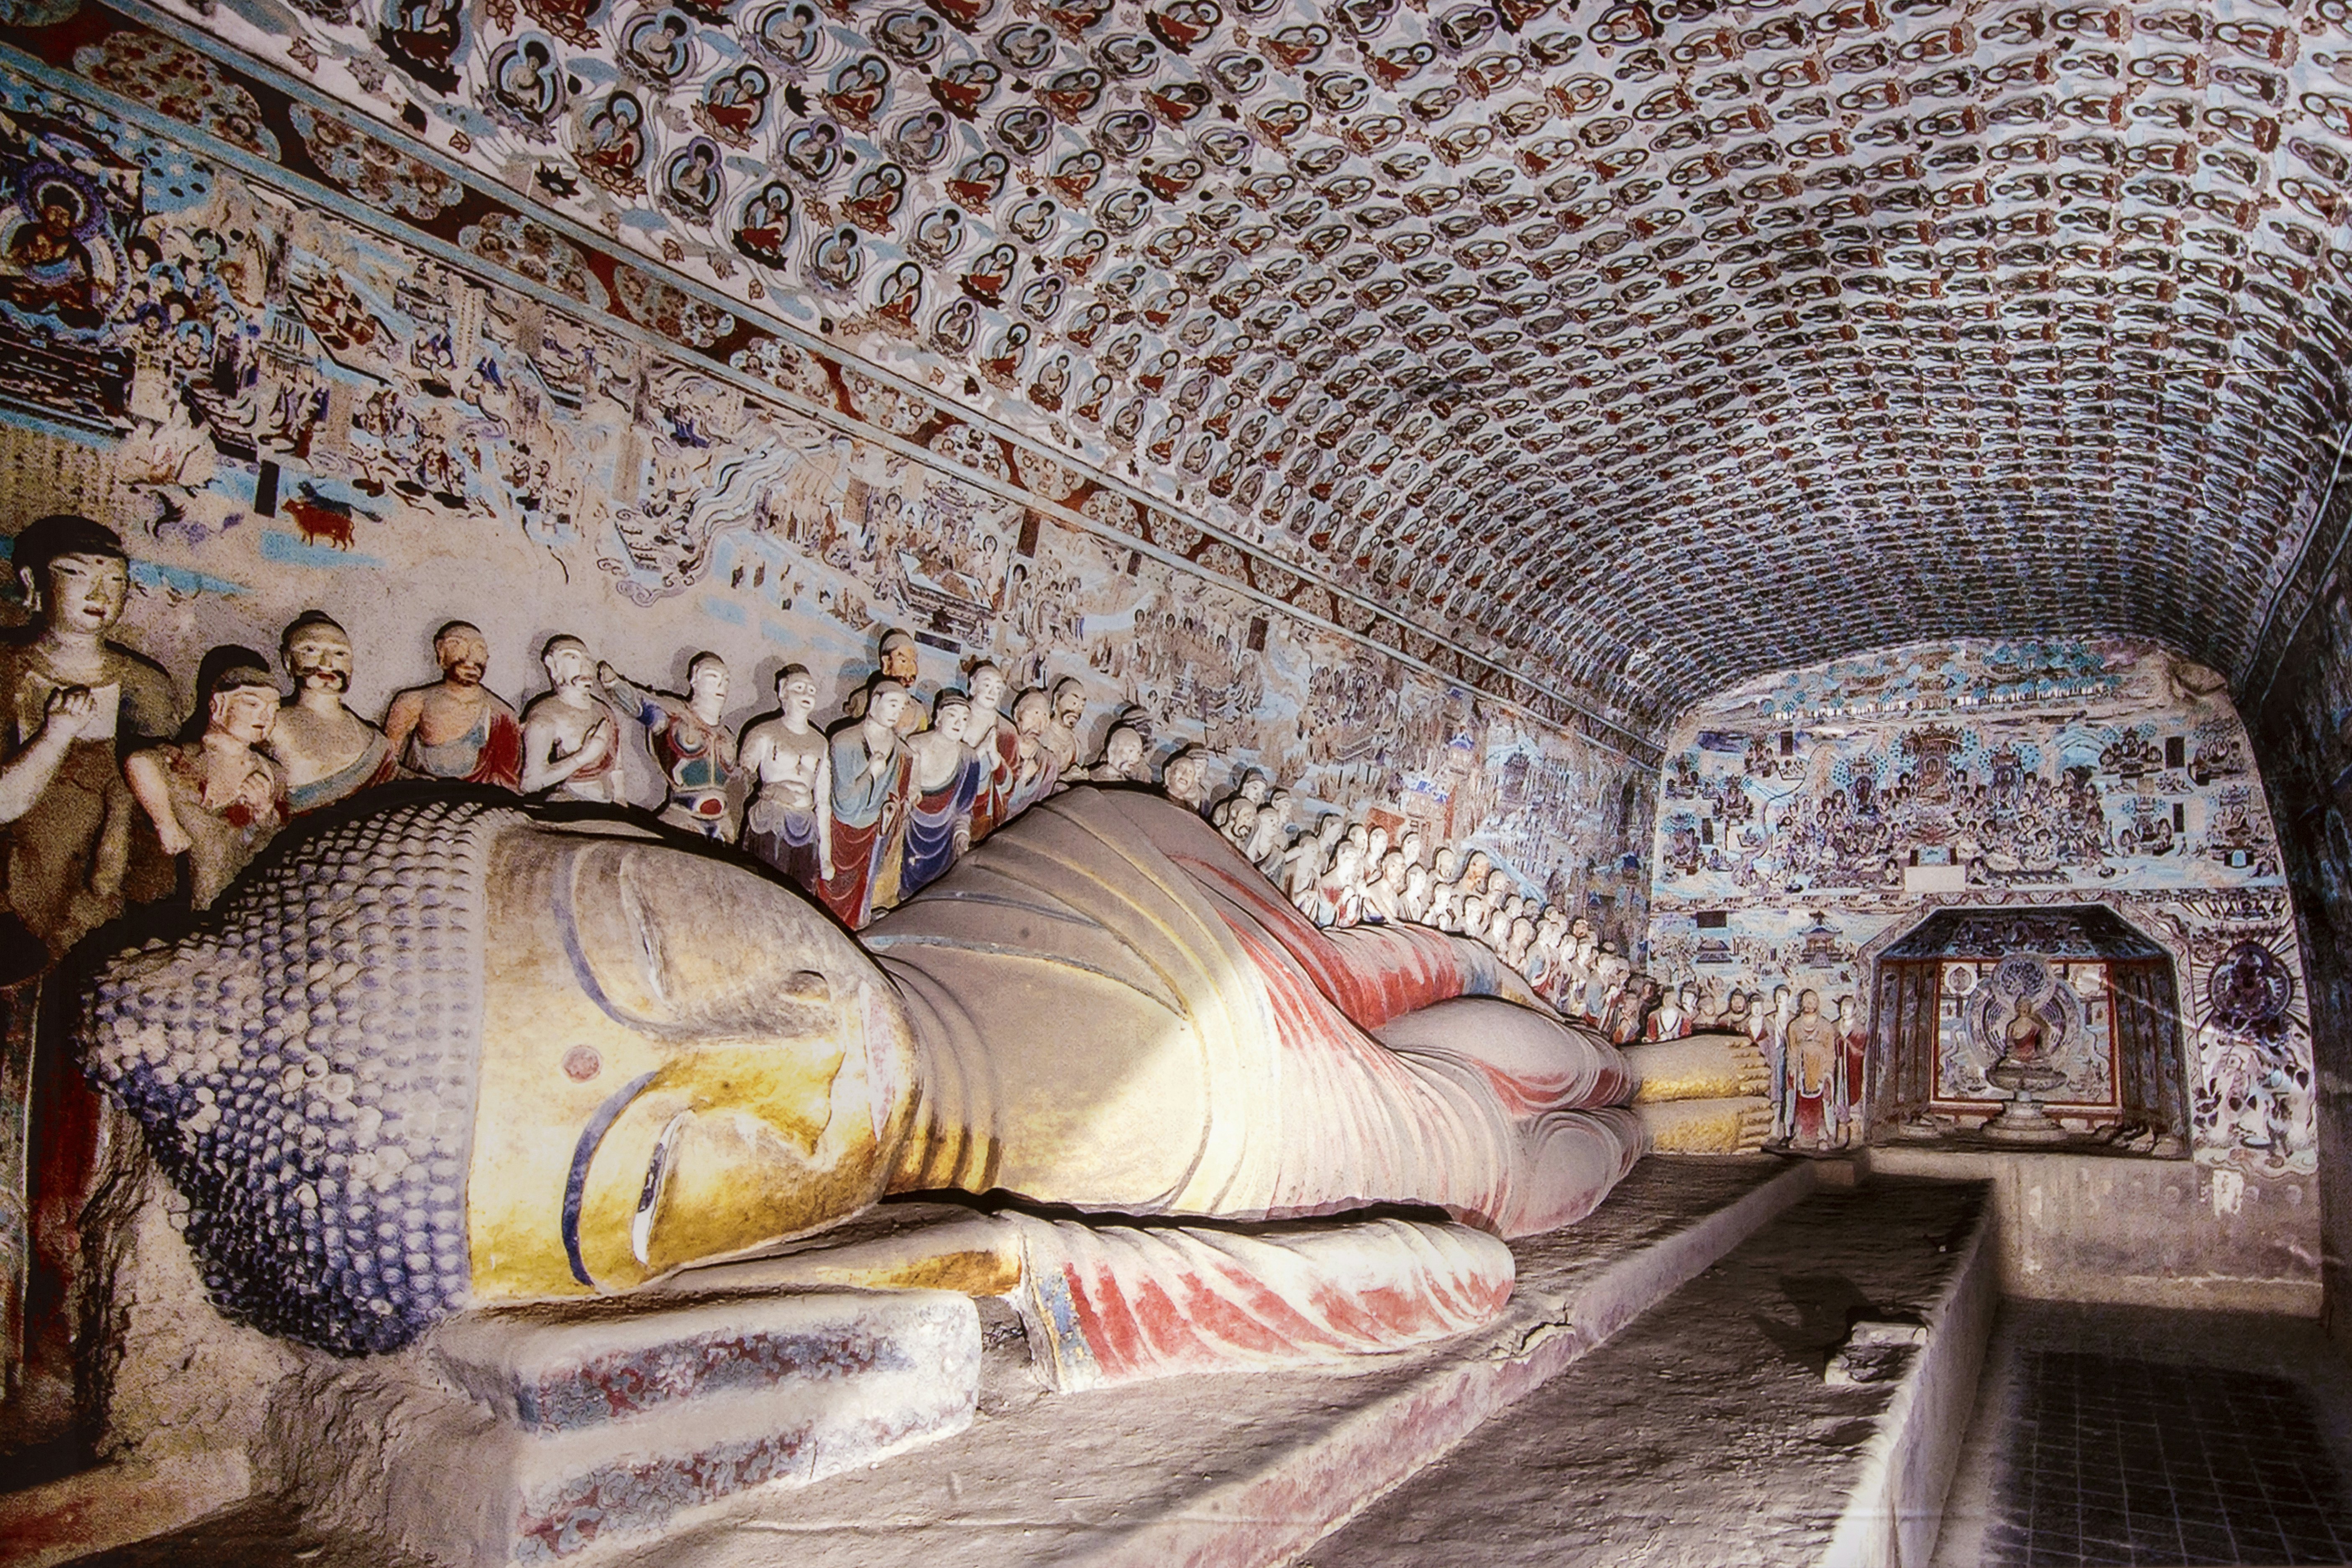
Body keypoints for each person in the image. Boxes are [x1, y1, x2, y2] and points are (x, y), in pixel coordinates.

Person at [79, 784, 1771, 1363]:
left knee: (1454, 1012)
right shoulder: (1123, 1161)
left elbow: (1349, 945)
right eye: (659, 1175)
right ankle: (1616, 1112)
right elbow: (1451, 1255)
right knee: (1480, 1139)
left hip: (1083, 907)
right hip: (1197, 1130)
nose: (772, 1050)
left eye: (659, 949)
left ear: (606, 830)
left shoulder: (1059, 842)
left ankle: (1616, 1064)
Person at [0, 514, 178, 965]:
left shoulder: (145, 684)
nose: (100, 595)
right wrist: (55, 735)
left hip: (100, 878)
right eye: (77, 573)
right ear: (32, 580)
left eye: (115, 580)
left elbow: (155, 786)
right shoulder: (7, 667)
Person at [124, 655, 288, 910]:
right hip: (173, 894)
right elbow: (139, 762)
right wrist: (166, 824)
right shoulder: (182, 759)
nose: (265, 717)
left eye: (273, 710)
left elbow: (277, 843)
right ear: (217, 706)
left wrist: (264, 811)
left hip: (238, 899)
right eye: (252, 705)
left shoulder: (271, 773)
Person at [269, 613, 402, 813]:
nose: (327, 663)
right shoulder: (269, 724)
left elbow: (399, 786)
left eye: (340, 654)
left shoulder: (373, 739)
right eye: (311, 650)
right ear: (288, 661)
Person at [600, 652, 739, 838]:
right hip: (683, 818)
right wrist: (612, 683)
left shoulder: (727, 736)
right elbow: (638, 704)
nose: (721, 686)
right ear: (695, 679)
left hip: (723, 824)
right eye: (713, 677)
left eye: (726, 680)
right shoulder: (673, 716)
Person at [382, 621, 522, 790]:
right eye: (458, 646)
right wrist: (417, 782)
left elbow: (509, 785)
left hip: (483, 804)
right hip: (424, 798)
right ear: (441, 652)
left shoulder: (503, 715)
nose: (471, 658)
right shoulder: (414, 702)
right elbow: (386, 765)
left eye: (479, 649)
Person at [820, 677, 913, 927]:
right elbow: (845, 803)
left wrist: (892, 807)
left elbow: (897, 795)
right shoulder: (845, 741)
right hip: (842, 832)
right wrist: (870, 772)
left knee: (864, 891)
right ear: (874, 703)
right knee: (831, 891)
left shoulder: (902, 752)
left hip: (875, 833)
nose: (898, 712)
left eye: (903, 706)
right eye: (893, 704)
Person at [739, 663, 833, 894]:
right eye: (799, 688)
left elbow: (823, 801)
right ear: (783, 692)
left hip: (806, 825)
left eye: (812, 690)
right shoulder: (764, 733)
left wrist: (826, 856)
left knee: (800, 896)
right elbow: (738, 779)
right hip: (771, 820)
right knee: (766, 889)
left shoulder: (821, 743)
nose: (807, 694)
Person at [899, 690, 984, 898]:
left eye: (965, 719)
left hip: (945, 838)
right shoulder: (916, 745)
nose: (959, 723)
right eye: (952, 716)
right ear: (939, 717)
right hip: (909, 833)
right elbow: (901, 794)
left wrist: (962, 836)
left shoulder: (969, 758)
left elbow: (964, 809)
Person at [517, 635, 622, 803]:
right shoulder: (546, 714)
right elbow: (530, 783)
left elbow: (617, 768)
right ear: (553, 665)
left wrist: (621, 802)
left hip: (608, 803)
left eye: (588, 660)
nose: (585, 667)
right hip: (570, 802)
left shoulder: (603, 711)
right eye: (573, 658)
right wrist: (583, 757)